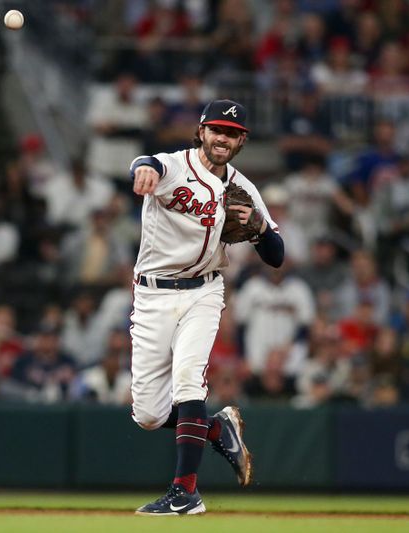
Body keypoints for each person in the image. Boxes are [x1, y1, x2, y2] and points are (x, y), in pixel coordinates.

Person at [128, 100, 284, 515]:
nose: (223, 138)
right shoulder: (174, 166)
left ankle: (185, 492)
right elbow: (147, 164)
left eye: (232, 134)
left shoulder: (244, 188)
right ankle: (217, 428)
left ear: (242, 140)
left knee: (187, 380)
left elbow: (277, 255)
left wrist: (259, 228)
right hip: (152, 294)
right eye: (216, 130)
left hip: (203, 292)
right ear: (201, 132)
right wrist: (143, 170)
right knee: (147, 413)